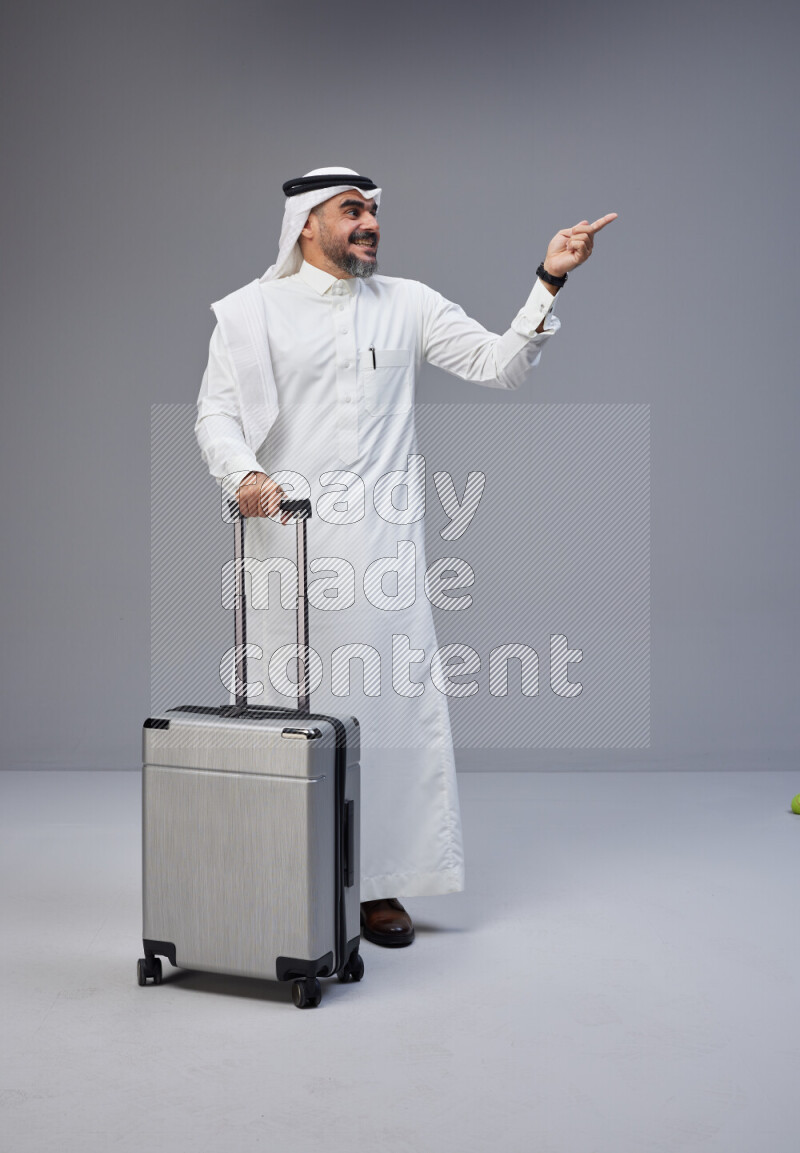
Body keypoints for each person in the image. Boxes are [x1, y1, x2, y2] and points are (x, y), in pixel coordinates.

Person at [195, 166, 616, 948]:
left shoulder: (409, 304)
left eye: (375, 212)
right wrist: (243, 472)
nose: (371, 224)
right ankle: (282, 873)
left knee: (385, 716)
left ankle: (379, 885)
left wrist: (548, 279)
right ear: (306, 223)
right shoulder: (250, 313)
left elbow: (502, 364)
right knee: (287, 717)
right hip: (284, 549)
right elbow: (216, 413)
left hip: (381, 553)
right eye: (353, 211)